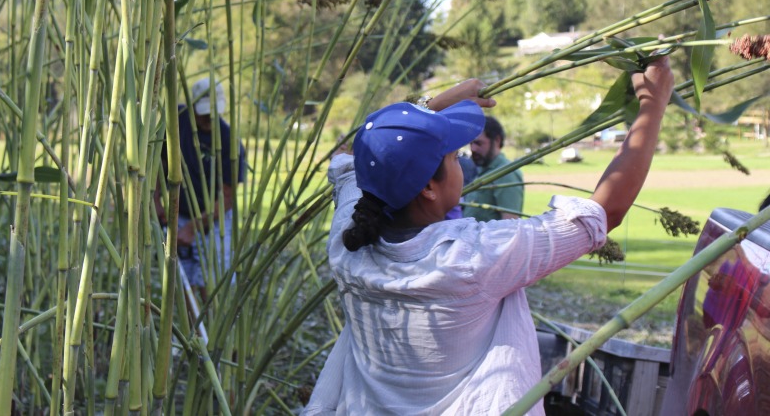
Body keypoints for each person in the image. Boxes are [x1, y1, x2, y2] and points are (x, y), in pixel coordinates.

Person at [303, 58, 674, 415]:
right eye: (455, 158)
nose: (462, 164)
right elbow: (604, 213)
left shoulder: (348, 239)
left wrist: (431, 110)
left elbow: (349, 154)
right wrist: (653, 105)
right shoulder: (471, 257)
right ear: (430, 188)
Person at [155, 77, 246, 295]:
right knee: (182, 282)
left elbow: (227, 198)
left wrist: (193, 227)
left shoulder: (229, 141)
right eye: (203, 113)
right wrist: (155, 200)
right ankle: (191, 328)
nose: (209, 119)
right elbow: (158, 163)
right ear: (192, 105)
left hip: (215, 219)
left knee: (211, 283)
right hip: (179, 213)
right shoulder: (175, 121)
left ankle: (211, 323)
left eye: (214, 113)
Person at [463, 115, 524, 221]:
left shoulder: (506, 174)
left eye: (478, 143)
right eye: (471, 143)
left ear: (497, 140)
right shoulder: (483, 169)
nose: (473, 148)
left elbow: (510, 224)